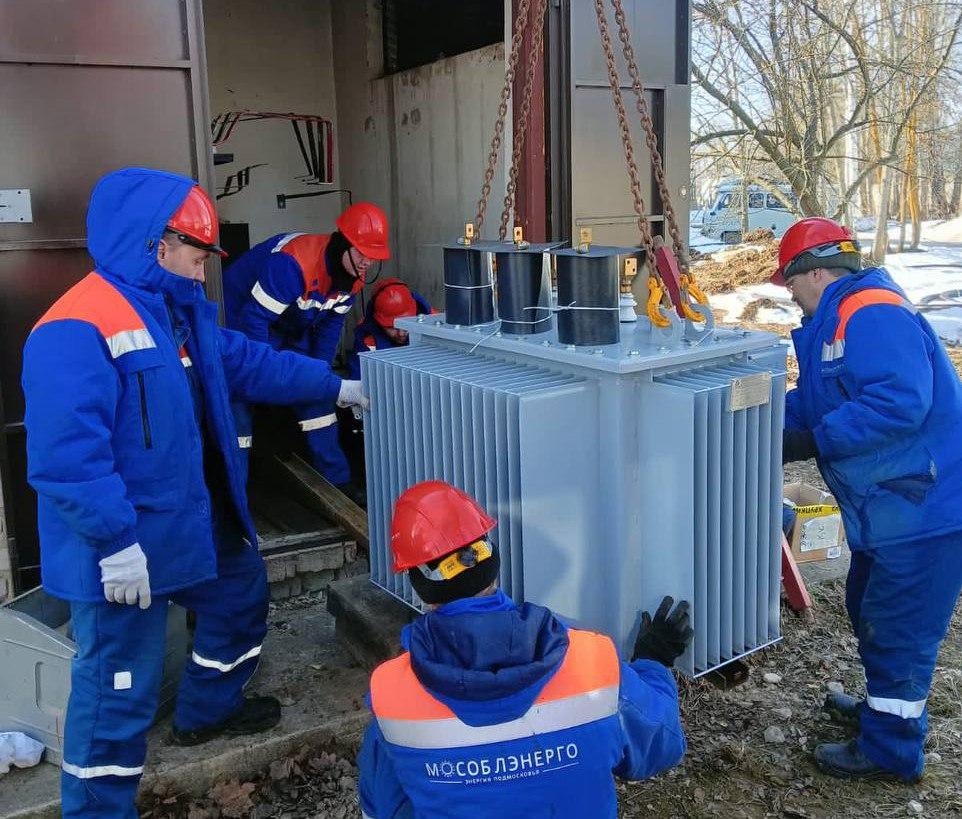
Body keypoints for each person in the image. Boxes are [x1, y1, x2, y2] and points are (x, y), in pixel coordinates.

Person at [21, 167, 368, 818]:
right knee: (117, 690)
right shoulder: (75, 328)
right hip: (121, 550)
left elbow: (254, 363)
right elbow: (67, 459)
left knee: (240, 595)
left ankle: (207, 712)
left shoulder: (180, 317)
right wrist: (115, 543)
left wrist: (336, 386)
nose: (207, 266)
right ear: (157, 243)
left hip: (183, 525)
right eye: (199, 251)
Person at [357, 480, 690, 818]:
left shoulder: (393, 695)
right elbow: (660, 744)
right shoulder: (591, 662)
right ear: (493, 563)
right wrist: (654, 660)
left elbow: (383, 806)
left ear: (420, 587)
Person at [775, 216, 962, 782]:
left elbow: (899, 401)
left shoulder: (870, 312)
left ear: (815, 272)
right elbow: (817, 400)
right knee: (868, 608)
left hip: (924, 509)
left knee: (898, 628)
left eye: (790, 281)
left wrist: (813, 441)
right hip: (890, 510)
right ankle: (882, 711)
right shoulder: (834, 321)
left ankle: (892, 750)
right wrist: (761, 424)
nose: (789, 294)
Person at [223, 204, 389, 505]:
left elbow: (329, 329)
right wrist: (263, 379)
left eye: (373, 256)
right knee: (240, 401)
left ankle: (338, 482)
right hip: (242, 322)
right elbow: (254, 321)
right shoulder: (292, 264)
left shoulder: (353, 277)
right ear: (344, 243)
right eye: (362, 253)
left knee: (317, 395)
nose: (367, 262)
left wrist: (318, 377)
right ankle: (237, 496)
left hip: (290, 325)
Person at [347, 277, 433, 379]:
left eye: (406, 325)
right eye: (392, 327)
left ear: (415, 313)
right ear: (379, 322)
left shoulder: (436, 325)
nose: (401, 333)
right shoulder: (367, 342)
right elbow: (359, 381)